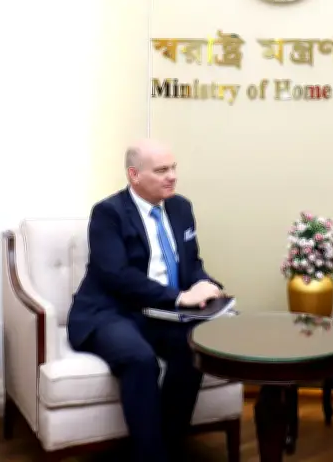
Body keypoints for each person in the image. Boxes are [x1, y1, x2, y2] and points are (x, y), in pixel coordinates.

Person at [67, 139, 225, 462]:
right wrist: (179, 297)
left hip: (159, 312)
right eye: (162, 170)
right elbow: (118, 276)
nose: (172, 176)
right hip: (110, 312)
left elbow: (191, 262)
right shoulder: (108, 214)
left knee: (194, 350)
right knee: (140, 359)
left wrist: (206, 285)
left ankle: (166, 446)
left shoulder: (181, 208)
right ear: (134, 175)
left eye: (173, 168)